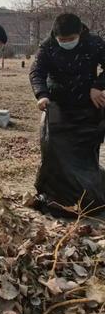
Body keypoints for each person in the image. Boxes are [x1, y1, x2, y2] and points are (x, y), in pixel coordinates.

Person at [30, 13, 105, 216]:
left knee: (85, 156)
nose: (66, 43)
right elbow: (37, 72)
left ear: (79, 32)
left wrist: (98, 86)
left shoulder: (94, 43)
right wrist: (42, 95)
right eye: (62, 40)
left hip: (87, 108)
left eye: (70, 39)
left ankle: (88, 198)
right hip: (58, 108)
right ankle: (58, 198)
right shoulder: (48, 46)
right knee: (55, 155)